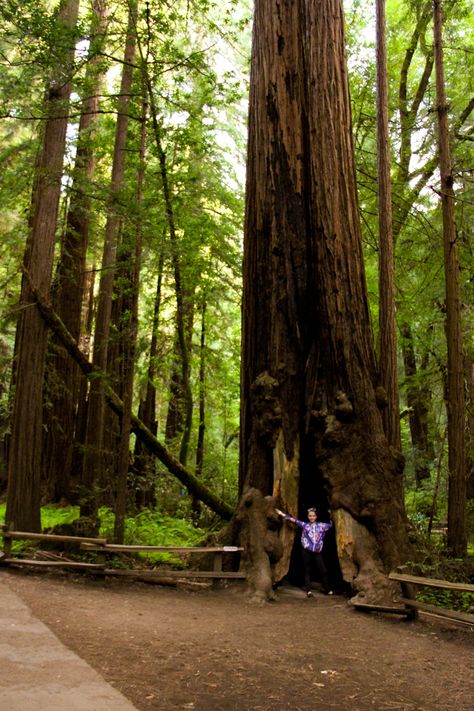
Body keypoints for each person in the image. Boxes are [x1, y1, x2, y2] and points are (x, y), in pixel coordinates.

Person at [276, 507, 333, 598]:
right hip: (306, 551)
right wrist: (282, 514)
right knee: (307, 570)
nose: (311, 517)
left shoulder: (322, 526)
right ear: (308, 517)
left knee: (323, 570)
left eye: (313, 516)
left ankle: (327, 589)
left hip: (317, 552)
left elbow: (330, 525)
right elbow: (293, 520)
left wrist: (330, 514)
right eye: (310, 516)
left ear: (316, 517)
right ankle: (309, 591)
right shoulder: (305, 525)